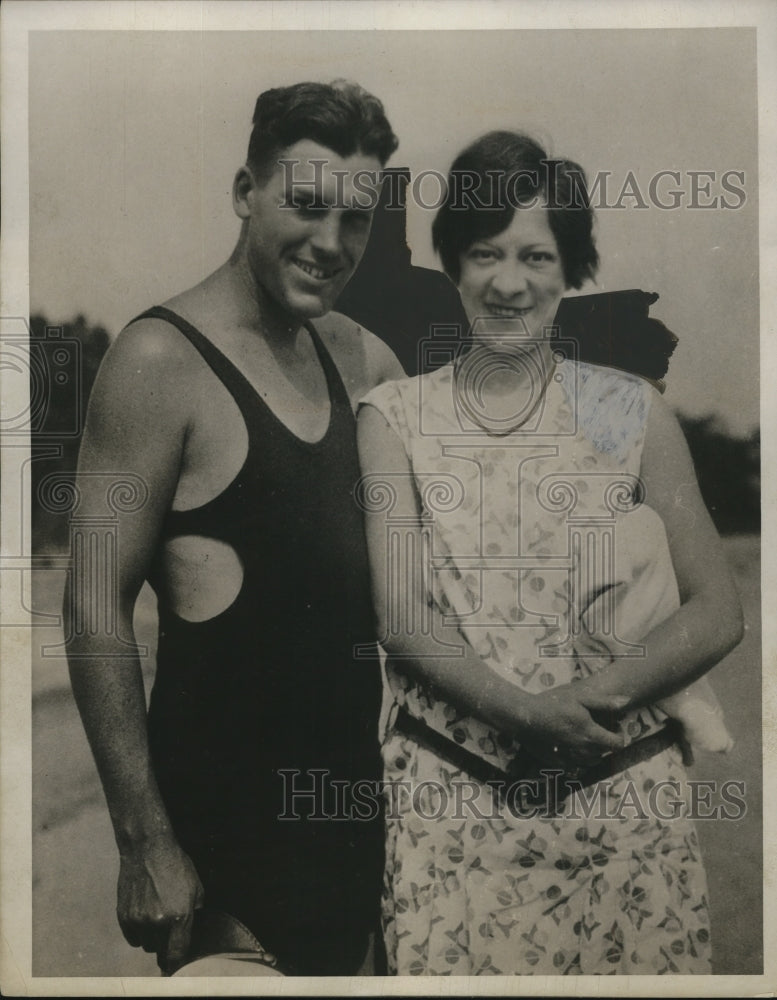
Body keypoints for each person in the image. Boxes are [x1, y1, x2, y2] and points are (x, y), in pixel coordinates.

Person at [356, 130, 744, 974]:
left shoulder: (631, 410)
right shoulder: (392, 418)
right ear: (451, 265)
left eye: (537, 255)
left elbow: (716, 609)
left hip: (626, 810)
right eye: (483, 253)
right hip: (452, 817)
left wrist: (578, 705)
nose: (508, 281)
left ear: (571, 270)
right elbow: (401, 615)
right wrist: (520, 713)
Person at [64, 80, 404, 976]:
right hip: (229, 882)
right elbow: (94, 604)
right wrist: (143, 842)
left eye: (357, 219)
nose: (330, 244)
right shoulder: (156, 362)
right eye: (303, 204)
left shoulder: (370, 364)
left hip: (369, 862)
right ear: (244, 191)